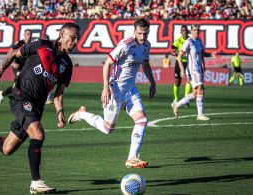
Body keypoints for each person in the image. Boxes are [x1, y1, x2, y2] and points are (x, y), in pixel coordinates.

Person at [0, 22, 80, 194]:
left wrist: (60, 112)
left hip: (36, 107)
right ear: (62, 35)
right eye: (73, 37)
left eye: (77, 38)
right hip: (21, 97)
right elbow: (13, 54)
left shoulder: (66, 65)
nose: (75, 41)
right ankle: (36, 182)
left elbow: (58, 94)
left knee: (7, 149)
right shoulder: (41, 45)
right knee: (38, 133)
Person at [67, 19, 156, 169]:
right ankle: (82, 114)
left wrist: (152, 82)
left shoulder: (146, 45)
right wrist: (106, 88)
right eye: (140, 33)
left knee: (142, 120)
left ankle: (132, 158)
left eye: (145, 33)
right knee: (107, 129)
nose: (142, 36)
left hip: (130, 90)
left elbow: (146, 64)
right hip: (115, 89)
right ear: (134, 31)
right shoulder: (125, 44)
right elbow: (107, 63)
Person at [171, 24, 216, 121]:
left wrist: (211, 54)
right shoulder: (188, 42)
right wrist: (182, 70)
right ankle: (200, 115)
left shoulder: (199, 41)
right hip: (192, 70)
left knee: (196, 93)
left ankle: (177, 105)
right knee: (200, 89)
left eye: (198, 30)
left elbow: (203, 53)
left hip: (198, 69)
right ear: (191, 31)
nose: (197, 32)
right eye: (195, 30)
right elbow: (179, 56)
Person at [0, 29, 33, 104]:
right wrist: (13, 62)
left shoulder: (32, 44)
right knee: (20, 80)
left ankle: (3, 93)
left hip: (25, 67)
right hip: (17, 66)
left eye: (30, 34)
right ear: (24, 35)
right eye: (27, 34)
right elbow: (9, 53)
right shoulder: (19, 43)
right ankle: (17, 98)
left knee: (18, 85)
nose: (29, 36)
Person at [171, 25, 191, 107]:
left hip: (190, 62)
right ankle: (176, 99)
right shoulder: (178, 41)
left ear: (188, 31)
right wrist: (176, 53)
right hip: (179, 62)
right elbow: (172, 51)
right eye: (183, 30)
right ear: (181, 32)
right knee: (177, 82)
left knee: (189, 80)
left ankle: (186, 99)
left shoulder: (191, 40)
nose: (185, 32)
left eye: (186, 30)